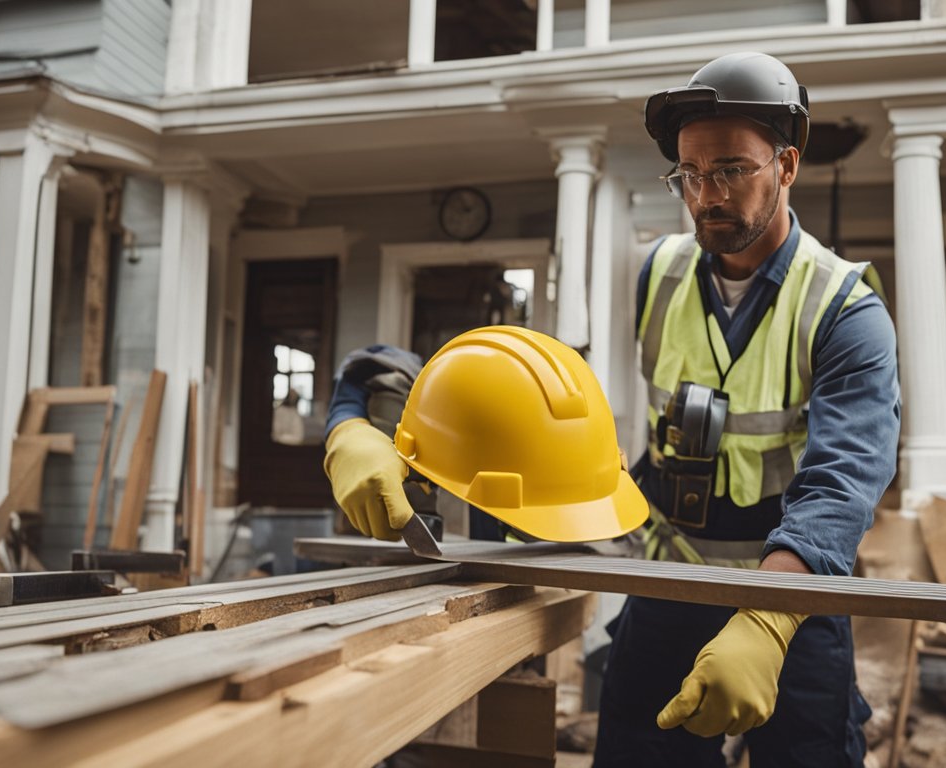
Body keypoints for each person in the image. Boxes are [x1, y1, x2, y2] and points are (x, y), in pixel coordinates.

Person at [324, 51, 899, 768]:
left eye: (730, 170)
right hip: (669, 577)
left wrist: (771, 615)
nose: (705, 195)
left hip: (790, 595)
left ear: (786, 167)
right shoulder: (657, 273)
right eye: (688, 174)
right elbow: (529, 388)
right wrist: (360, 410)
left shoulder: (846, 308)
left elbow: (843, 482)